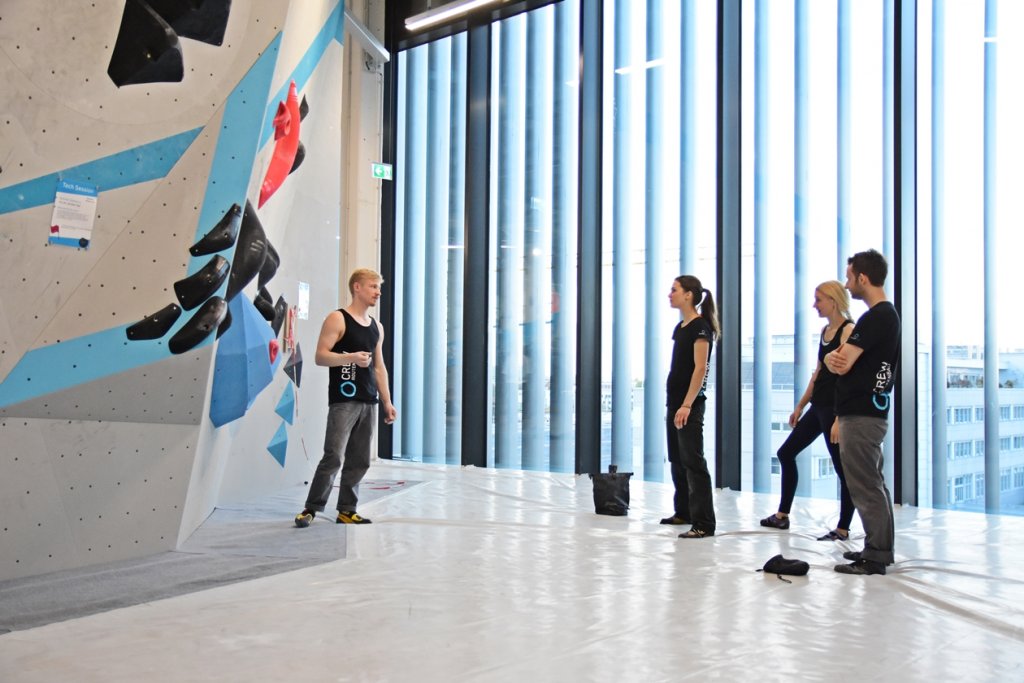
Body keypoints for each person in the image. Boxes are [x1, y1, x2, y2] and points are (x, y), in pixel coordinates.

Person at [295, 268, 397, 527]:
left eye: (379, 287)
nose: (378, 292)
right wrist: (350, 358)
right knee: (334, 456)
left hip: (369, 400)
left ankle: (347, 510)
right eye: (373, 286)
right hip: (343, 400)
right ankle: (311, 508)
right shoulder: (337, 319)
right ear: (357, 288)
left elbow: (379, 367)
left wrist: (387, 401)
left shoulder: (377, 327)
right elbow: (321, 356)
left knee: (359, 459)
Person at [760, 281, 856, 541]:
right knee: (786, 453)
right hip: (818, 406)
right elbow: (819, 372)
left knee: (842, 469)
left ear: (833, 301)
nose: (815, 305)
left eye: (819, 299)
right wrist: (801, 405)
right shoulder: (826, 330)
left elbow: (849, 377)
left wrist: (839, 417)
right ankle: (782, 516)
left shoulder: (848, 331)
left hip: (835, 410)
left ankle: (843, 529)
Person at [824, 249, 900, 575]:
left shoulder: (876, 317)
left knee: (866, 486)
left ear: (863, 278)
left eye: (850, 276)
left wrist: (835, 360)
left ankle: (877, 556)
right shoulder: (886, 316)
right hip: (869, 412)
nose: (847, 283)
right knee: (874, 484)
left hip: (861, 413)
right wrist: (834, 359)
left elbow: (841, 361)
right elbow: (836, 357)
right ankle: (877, 548)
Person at [666, 275, 720, 539]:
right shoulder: (682, 327)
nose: (670, 294)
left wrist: (687, 404)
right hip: (675, 403)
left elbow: (701, 368)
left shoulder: (701, 327)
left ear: (688, 295)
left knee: (693, 462)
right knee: (677, 459)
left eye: (674, 290)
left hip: (689, 405)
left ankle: (703, 523)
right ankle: (683, 512)